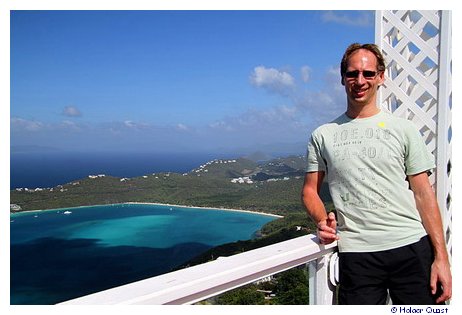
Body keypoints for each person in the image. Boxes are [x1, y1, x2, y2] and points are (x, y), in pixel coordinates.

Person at [301, 43, 452, 305]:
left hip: (411, 247)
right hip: (358, 254)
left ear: (381, 77)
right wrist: (322, 219)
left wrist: (441, 258)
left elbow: (423, 193)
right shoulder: (322, 135)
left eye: (368, 73)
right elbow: (309, 190)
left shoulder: (403, 130)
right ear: (342, 78)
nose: (360, 81)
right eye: (353, 74)